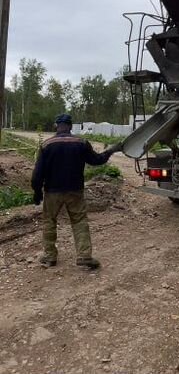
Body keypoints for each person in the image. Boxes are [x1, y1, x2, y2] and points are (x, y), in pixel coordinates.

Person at [31, 114, 123, 269]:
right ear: (71, 126)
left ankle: (49, 257)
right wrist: (111, 150)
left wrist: (37, 191)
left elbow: (37, 174)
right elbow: (97, 160)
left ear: (56, 126)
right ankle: (84, 257)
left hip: (52, 191)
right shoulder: (81, 143)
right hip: (75, 191)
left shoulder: (46, 145)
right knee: (79, 222)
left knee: (49, 222)